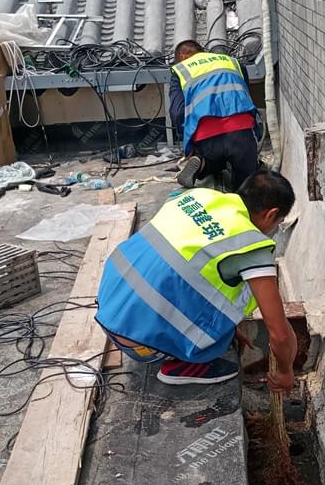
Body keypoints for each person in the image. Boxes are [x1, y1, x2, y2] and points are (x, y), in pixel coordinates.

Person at [96, 169, 297, 390]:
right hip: (141, 347)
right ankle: (181, 367)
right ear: (271, 214)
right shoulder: (252, 245)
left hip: (109, 310)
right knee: (216, 345)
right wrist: (285, 373)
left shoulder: (196, 197)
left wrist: (231, 329)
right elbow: (279, 333)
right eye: (278, 222)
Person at [169, 39, 260, 190]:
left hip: (206, 135)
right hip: (242, 129)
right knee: (247, 182)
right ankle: (245, 194)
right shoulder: (232, 62)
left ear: (182, 56)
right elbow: (245, 94)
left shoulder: (181, 69)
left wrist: (189, 146)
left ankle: (202, 164)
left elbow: (177, 113)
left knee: (213, 161)